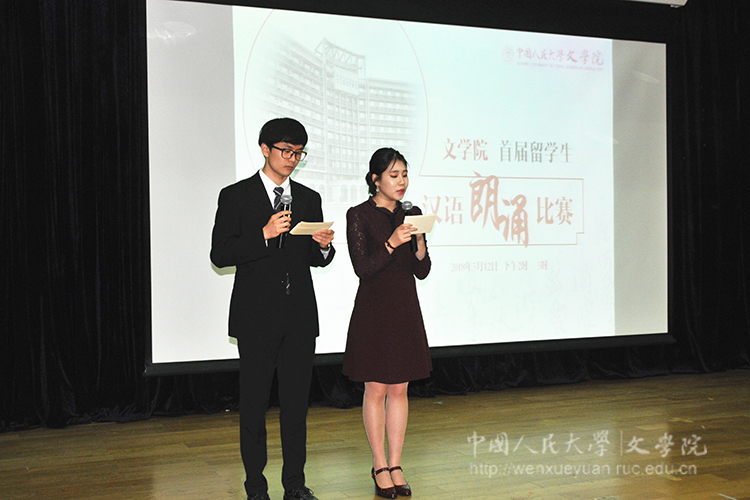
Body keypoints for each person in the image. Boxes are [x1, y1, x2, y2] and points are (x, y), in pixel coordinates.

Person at [210, 118, 335, 500]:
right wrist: (263, 234)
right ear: (265, 149)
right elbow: (220, 253)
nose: (292, 159)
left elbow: (313, 258)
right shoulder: (236, 196)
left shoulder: (309, 198)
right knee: (254, 405)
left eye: (299, 153)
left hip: (299, 318)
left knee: (296, 407)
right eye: (286, 151)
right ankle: (255, 487)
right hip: (256, 318)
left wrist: (324, 246)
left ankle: (294, 485)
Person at [342, 147, 432, 499]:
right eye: (394, 175)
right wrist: (392, 243)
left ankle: (396, 464)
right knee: (377, 389)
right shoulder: (359, 215)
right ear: (375, 179)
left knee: (400, 389)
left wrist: (420, 241)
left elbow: (422, 270)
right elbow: (363, 268)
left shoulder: (412, 213)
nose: (401, 181)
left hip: (405, 308)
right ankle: (379, 465)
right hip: (374, 311)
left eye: (405, 174)